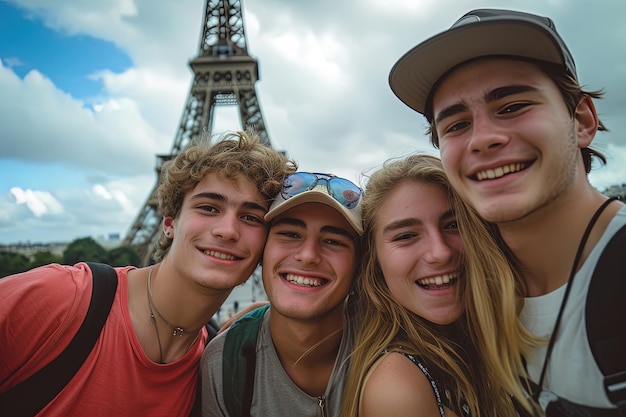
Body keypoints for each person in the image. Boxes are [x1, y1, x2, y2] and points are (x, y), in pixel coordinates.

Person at [388, 8, 626, 415]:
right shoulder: (472, 284)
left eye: (513, 106)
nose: (483, 139)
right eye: (457, 125)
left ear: (582, 121)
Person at [0, 130, 296, 416]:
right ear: (169, 222)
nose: (227, 230)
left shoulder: (218, 365)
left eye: (250, 217)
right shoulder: (62, 298)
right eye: (208, 208)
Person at [340, 154, 540, 417]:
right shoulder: (398, 388)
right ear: (374, 264)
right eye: (406, 236)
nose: (440, 253)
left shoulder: (495, 339)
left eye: (454, 225)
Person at [201, 171, 363, 417]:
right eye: (290, 234)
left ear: (360, 265)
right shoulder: (225, 363)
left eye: (333, 241)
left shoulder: (388, 346)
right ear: (262, 252)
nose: (308, 256)